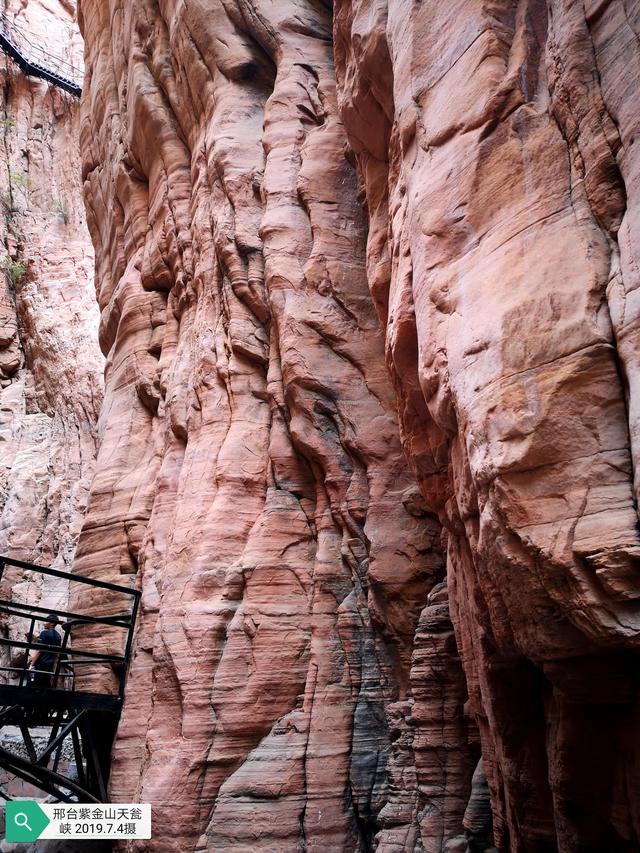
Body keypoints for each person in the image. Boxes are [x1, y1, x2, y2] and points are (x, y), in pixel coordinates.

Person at [28, 614, 62, 689]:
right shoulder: (58, 636)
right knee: (44, 685)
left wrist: (31, 664)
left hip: (41, 663)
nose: (44, 623)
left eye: (46, 621)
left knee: (33, 683)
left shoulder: (44, 633)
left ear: (52, 623)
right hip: (50, 664)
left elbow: (39, 651)